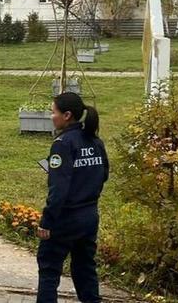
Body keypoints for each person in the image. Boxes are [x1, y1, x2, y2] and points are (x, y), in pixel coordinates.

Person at [36, 92, 109, 303]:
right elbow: (103, 174)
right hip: (89, 217)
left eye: (53, 112)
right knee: (85, 271)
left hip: (64, 220)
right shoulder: (95, 141)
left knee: (49, 271)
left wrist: (47, 221)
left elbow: (59, 189)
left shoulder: (63, 143)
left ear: (67, 115)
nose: (51, 116)